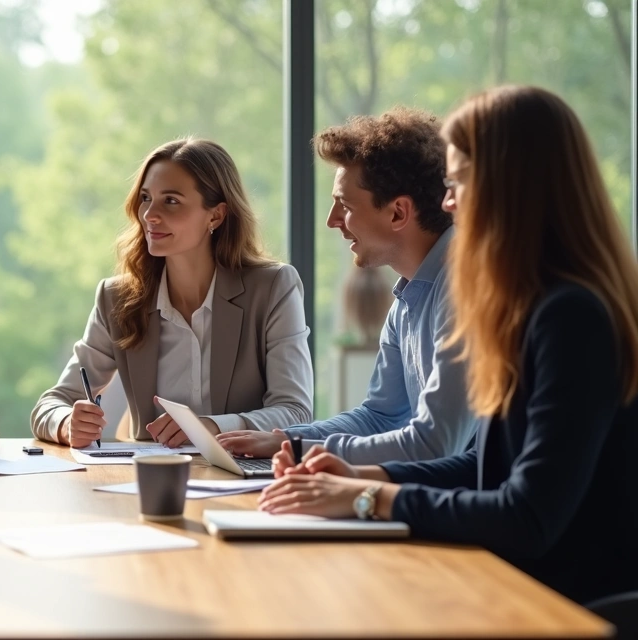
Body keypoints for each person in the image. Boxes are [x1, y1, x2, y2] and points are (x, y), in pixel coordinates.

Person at [257, 86, 638, 604]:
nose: (448, 202)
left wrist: (369, 497)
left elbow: (527, 516)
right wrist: (359, 475)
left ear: (509, 190)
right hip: (522, 588)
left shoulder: (571, 317)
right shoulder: (531, 307)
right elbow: (485, 465)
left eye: (458, 182)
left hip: (562, 606)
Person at [219, 108, 476, 464]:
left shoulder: (467, 287)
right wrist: (284, 440)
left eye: (344, 205)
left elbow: (435, 445)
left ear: (398, 213)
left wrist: (298, 450)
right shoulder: (409, 297)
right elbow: (379, 417)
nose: (331, 220)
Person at [31, 137, 313, 448]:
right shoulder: (117, 299)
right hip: (149, 479)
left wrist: (210, 427)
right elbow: (51, 405)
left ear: (216, 216)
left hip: (242, 478)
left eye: (172, 201)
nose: (150, 215)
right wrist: (66, 423)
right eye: (146, 198)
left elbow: (295, 412)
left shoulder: (273, 288)